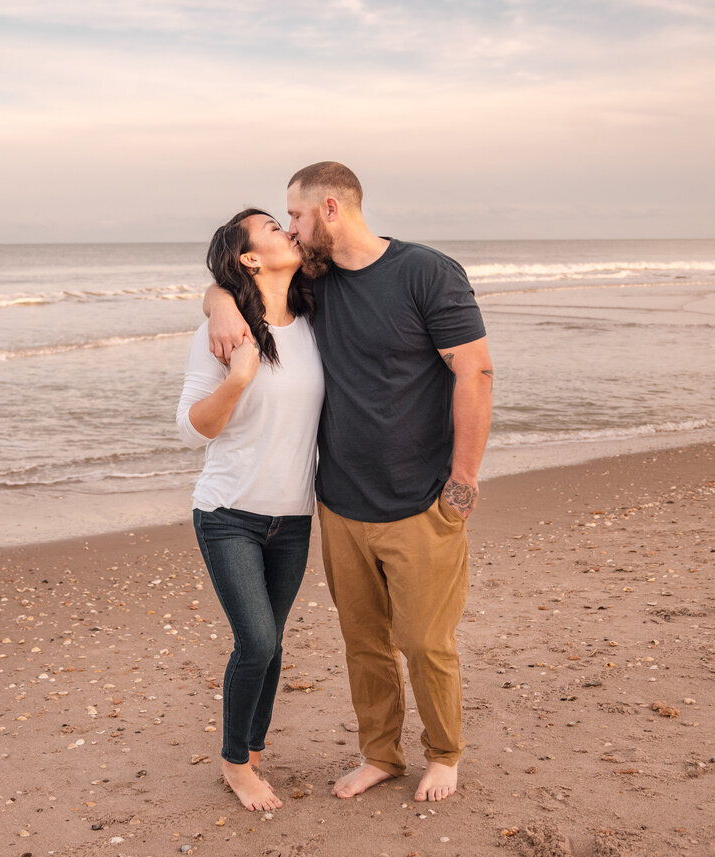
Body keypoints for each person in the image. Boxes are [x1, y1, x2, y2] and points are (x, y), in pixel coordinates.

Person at [205, 162, 493, 803]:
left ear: (329, 209)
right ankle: (381, 755)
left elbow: (473, 372)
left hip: (421, 501)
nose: (294, 231)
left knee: (424, 641)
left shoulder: (426, 272)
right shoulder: (316, 283)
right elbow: (240, 278)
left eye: (298, 217)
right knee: (364, 645)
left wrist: (463, 481)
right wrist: (220, 300)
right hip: (338, 504)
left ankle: (443, 754)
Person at [177, 208, 324, 812]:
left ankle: (253, 749)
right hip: (229, 511)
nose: (286, 229)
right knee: (257, 641)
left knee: (273, 642)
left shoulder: (317, 318)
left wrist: (216, 297)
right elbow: (193, 431)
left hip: (293, 516)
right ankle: (235, 764)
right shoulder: (225, 334)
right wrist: (236, 379)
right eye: (270, 226)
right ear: (249, 258)